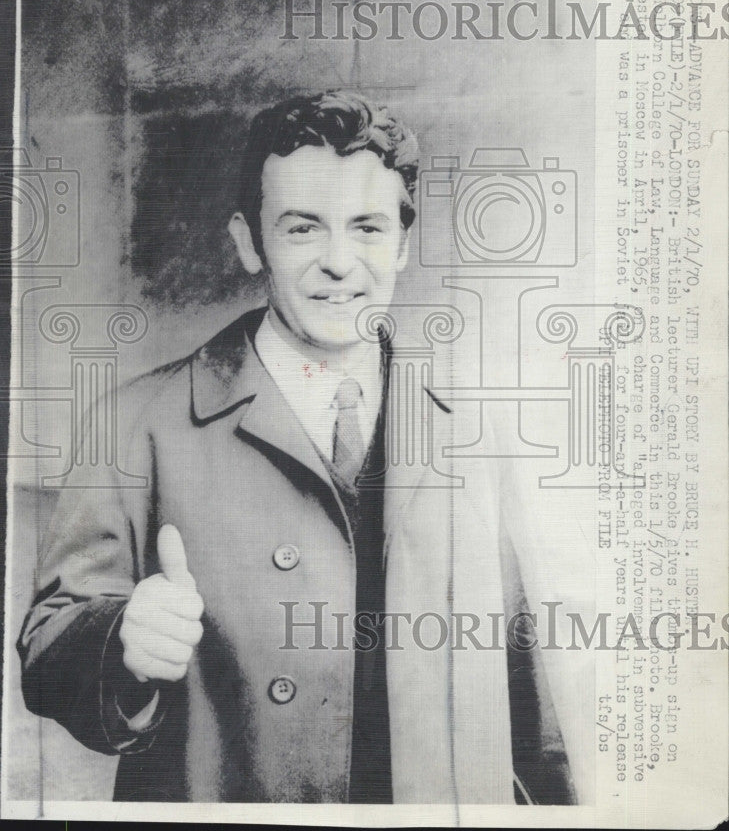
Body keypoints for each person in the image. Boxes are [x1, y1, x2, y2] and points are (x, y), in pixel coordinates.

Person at [18, 91, 580, 805]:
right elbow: (47, 648)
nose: (340, 262)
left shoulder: (469, 427)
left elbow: (523, 687)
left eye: (368, 228)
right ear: (250, 241)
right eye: (303, 228)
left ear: (403, 245)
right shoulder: (134, 421)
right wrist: (120, 638)